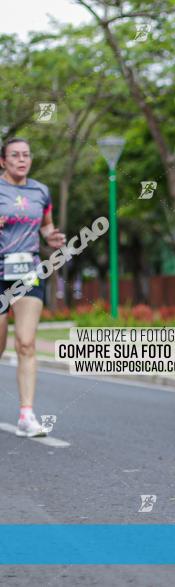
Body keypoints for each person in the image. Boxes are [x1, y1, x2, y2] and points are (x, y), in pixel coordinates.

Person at [0, 138, 67, 437]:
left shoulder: (41, 191)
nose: (21, 160)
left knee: (26, 343)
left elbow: (46, 226)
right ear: (3, 161)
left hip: (28, 273)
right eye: (14, 155)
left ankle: (26, 414)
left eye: (26, 154)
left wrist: (52, 238)